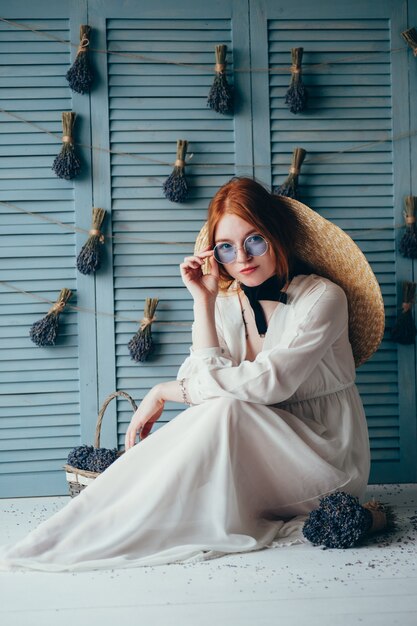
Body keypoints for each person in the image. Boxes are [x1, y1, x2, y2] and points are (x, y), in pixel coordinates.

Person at [0, 177, 385, 572]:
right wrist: (204, 301)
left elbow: (270, 384)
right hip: (253, 464)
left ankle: (109, 518)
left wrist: (166, 391)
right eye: (227, 247)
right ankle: (88, 527)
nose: (243, 258)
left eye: (255, 240)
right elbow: (201, 378)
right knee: (220, 412)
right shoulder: (225, 301)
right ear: (214, 254)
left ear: (277, 235)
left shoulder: (322, 297)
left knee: (227, 410)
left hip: (326, 460)